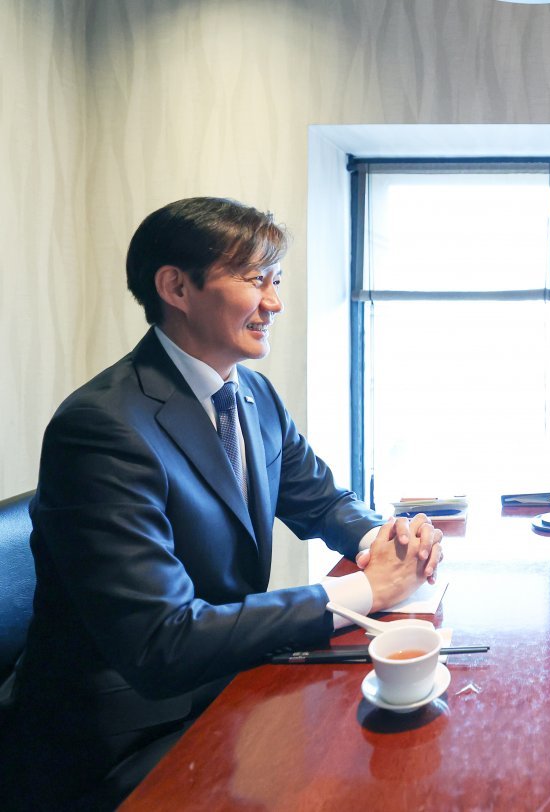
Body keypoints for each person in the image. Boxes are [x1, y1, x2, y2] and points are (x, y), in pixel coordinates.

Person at [0, 197, 445, 809]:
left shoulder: (253, 394)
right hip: (125, 737)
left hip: (227, 681)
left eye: (277, 280)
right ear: (176, 286)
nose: (275, 303)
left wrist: (383, 540)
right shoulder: (102, 428)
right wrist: (370, 591)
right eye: (255, 280)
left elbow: (321, 501)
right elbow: (162, 642)